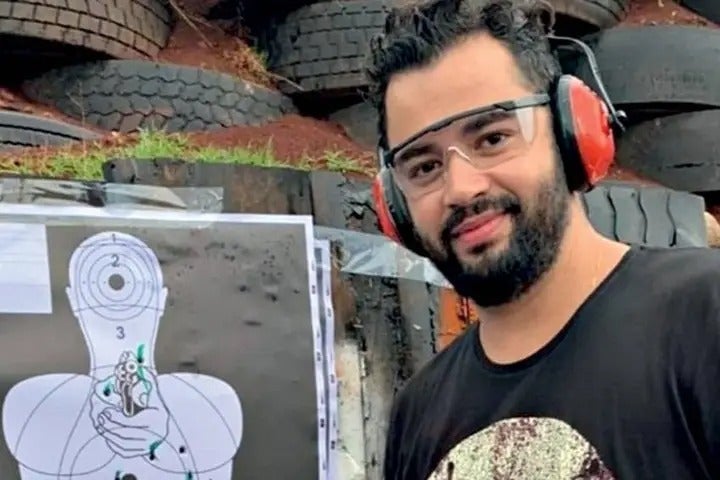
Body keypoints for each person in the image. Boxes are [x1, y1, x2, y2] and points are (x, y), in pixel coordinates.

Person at [365, 0, 720, 478]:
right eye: (424, 166)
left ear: (570, 130)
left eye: (492, 138)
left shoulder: (705, 316)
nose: (462, 188)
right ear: (394, 205)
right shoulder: (417, 414)